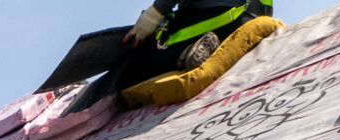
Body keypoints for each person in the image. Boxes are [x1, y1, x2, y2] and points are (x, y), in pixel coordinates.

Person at [92, 0, 273, 101]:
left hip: (219, 16)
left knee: (131, 69)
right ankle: (199, 45)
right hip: (249, 14)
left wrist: (156, 11)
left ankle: (183, 52)